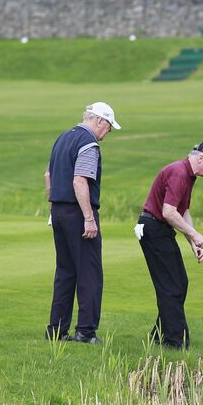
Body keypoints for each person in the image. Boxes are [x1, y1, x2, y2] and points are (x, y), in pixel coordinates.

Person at [135, 141, 203, 349]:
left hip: (160, 229)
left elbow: (182, 211)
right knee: (171, 286)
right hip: (153, 228)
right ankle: (174, 343)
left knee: (179, 283)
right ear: (200, 158)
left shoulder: (188, 175)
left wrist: (192, 241)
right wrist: (194, 234)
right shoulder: (179, 173)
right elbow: (168, 212)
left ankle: (160, 337)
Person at [45, 102, 121, 343]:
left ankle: (56, 330)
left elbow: (49, 176)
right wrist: (88, 218)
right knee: (89, 273)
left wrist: (53, 206)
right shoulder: (88, 143)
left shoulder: (62, 138)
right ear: (99, 120)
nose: (107, 133)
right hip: (78, 212)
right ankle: (86, 332)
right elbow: (80, 181)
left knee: (65, 272)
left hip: (58, 210)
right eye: (108, 127)